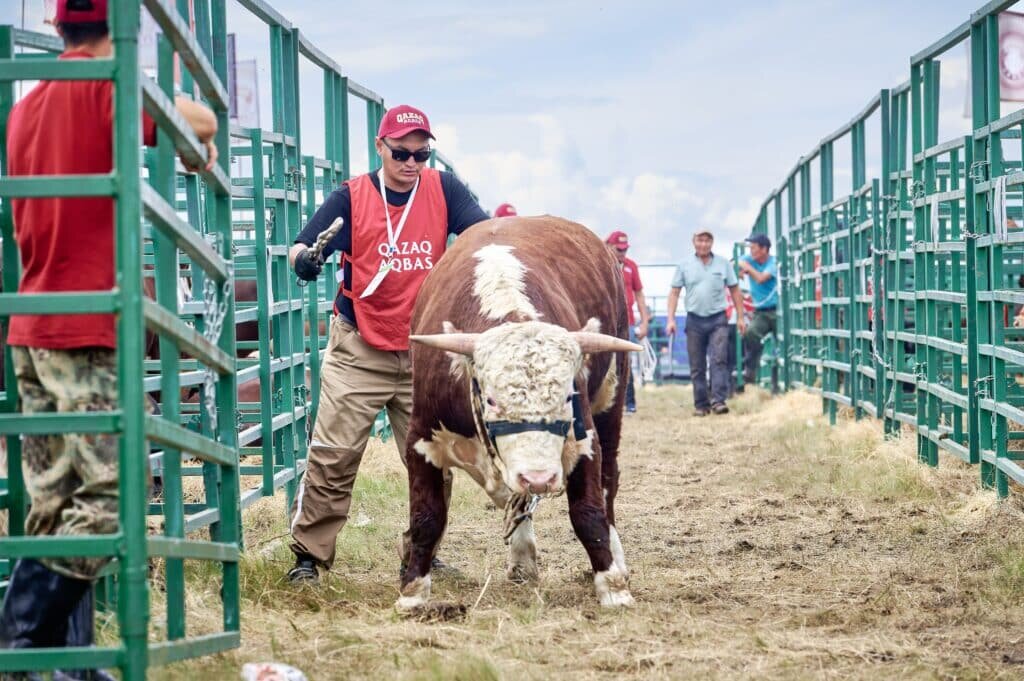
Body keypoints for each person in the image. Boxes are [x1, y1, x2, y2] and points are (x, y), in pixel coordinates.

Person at [0, 0, 218, 674]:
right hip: (86, 324)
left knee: (55, 502)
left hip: (32, 324)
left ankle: (70, 663)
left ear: (61, 24)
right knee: (106, 503)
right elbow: (203, 123)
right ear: (124, 31)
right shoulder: (110, 88)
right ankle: (15, 633)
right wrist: (197, 141)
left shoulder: (28, 104)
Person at [287, 104, 489, 584]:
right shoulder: (353, 196)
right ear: (381, 148)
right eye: (401, 153)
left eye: (421, 154)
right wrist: (305, 261)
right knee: (334, 453)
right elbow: (301, 244)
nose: (411, 163)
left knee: (432, 460)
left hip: (424, 350)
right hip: (360, 345)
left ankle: (423, 550)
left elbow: (481, 234)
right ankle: (309, 558)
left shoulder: (444, 189)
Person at [665, 230, 746, 416]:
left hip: (718, 318)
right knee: (697, 364)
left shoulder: (723, 264)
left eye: (707, 240)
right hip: (694, 319)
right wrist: (670, 319)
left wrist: (740, 317)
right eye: (700, 240)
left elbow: (735, 290)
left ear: (712, 243)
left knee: (719, 359)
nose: (703, 244)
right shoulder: (684, 265)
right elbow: (674, 293)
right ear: (694, 242)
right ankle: (701, 404)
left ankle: (718, 400)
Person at [605, 230, 650, 413]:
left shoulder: (631, 266)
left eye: (625, 249)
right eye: (619, 249)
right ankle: (608, 403)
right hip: (607, 322)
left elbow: (639, 293)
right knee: (606, 363)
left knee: (626, 362)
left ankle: (629, 402)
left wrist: (644, 320)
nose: (623, 253)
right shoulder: (603, 266)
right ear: (609, 247)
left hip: (628, 322)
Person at [738, 234, 778, 386]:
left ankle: (777, 381)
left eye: (754, 248)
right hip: (761, 311)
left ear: (764, 249)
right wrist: (741, 270)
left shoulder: (773, 262)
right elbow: (736, 264)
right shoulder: (749, 259)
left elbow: (762, 278)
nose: (751, 251)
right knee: (750, 333)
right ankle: (752, 367)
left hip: (777, 310)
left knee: (780, 344)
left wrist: (747, 269)